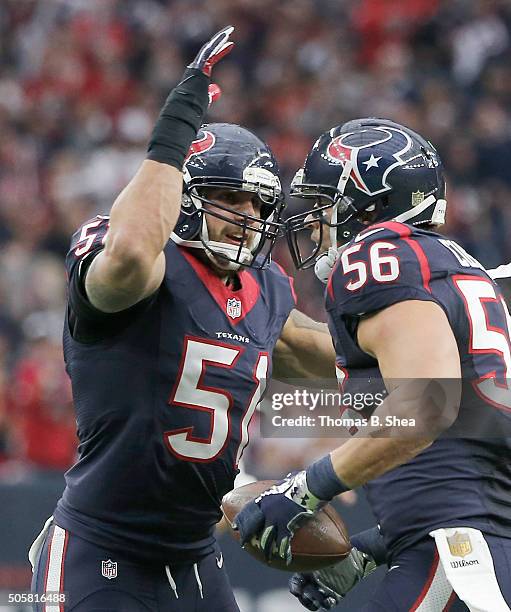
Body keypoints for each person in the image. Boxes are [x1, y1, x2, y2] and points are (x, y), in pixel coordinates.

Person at [28, 27, 335, 612]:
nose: (247, 217)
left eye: (258, 204)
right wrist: (176, 129)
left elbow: (338, 360)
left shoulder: (266, 289)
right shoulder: (142, 259)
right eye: (230, 198)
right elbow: (129, 254)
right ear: (185, 195)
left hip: (193, 556)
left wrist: (449, 346)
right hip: (101, 547)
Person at [235, 118, 511, 611]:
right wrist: (377, 544)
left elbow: (425, 404)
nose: (314, 221)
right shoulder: (452, 269)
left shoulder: (377, 255)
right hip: (474, 548)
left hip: (458, 556)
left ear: (368, 204)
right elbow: (319, 351)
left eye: (324, 205)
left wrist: (306, 489)